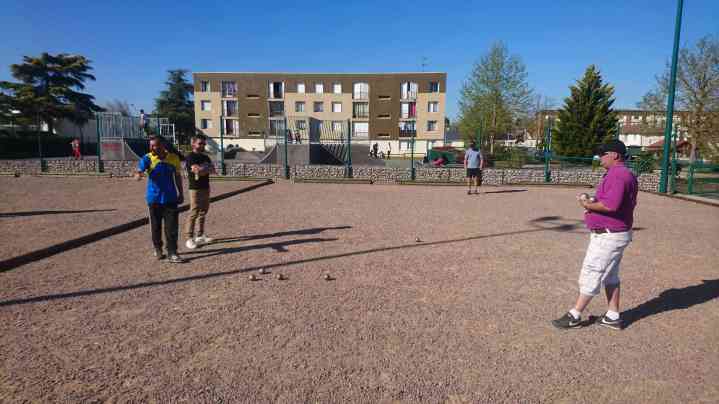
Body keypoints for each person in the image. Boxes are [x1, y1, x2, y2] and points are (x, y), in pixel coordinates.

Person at [552, 140, 638, 331]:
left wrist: (586, 204)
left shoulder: (618, 175)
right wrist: (592, 201)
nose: (599, 158)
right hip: (615, 233)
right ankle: (613, 316)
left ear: (615, 155)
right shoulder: (622, 174)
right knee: (610, 275)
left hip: (608, 235)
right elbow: (612, 202)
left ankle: (575, 314)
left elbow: (610, 205)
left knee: (592, 272)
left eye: (602, 154)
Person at [135, 136, 185, 263]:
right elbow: (139, 170)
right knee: (156, 227)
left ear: (162, 146)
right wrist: (138, 174)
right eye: (150, 145)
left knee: (171, 227)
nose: (151, 148)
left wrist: (181, 193)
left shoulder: (173, 158)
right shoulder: (147, 158)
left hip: (170, 198)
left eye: (154, 145)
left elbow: (177, 177)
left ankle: (172, 252)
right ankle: (158, 249)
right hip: (154, 199)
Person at [184, 134, 216, 250]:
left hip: (205, 187)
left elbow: (213, 170)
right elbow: (196, 170)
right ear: (193, 144)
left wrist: (203, 169)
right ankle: (189, 238)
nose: (202, 145)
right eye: (200, 143)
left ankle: (200, 235)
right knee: (194, 212)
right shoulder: (190, 157)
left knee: (203, 211)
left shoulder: (205, 157)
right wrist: (205, 168)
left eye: (204, 143)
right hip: (195, 188)